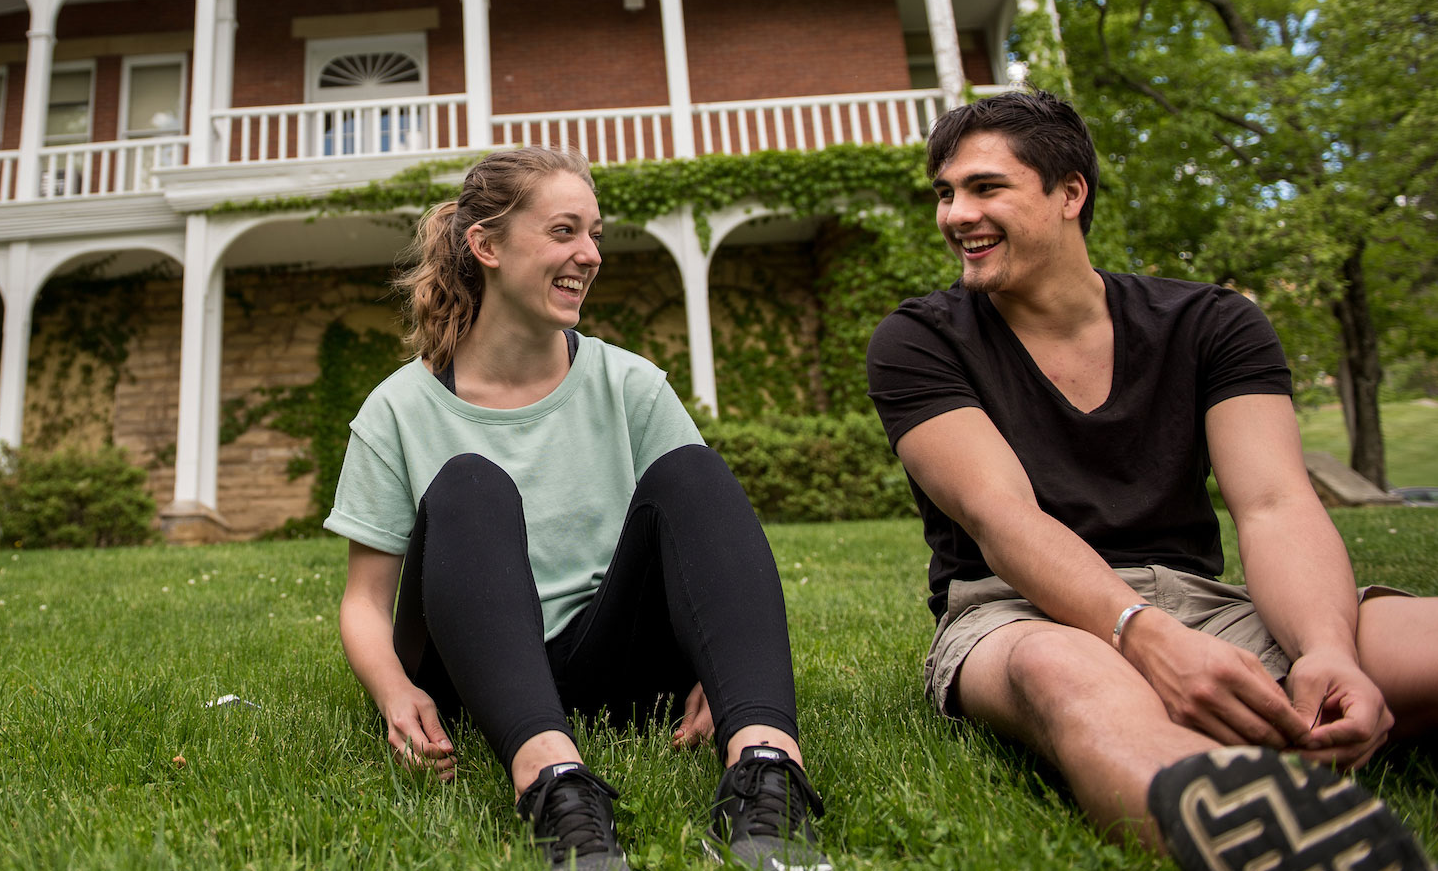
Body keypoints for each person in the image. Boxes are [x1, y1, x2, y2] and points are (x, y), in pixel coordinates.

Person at [866, 90, 1438, 871]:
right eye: (945, 192)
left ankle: (1262, 727)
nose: (954, 213)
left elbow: (1273, 504)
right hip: (1016, 618)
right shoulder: (920, 338)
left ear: (1071, 193)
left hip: (1204, 605)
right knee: (1069, 678)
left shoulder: (1213, 324)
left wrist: (1327, 650)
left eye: (984, 187)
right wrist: (1144, 635)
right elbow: (1003, 519)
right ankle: (1246, 820)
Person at [327, 146, 831, 871]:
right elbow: (366, 602)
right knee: (470, 481)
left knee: (691, 469)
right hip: (473, 672)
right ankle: (555, 785)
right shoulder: (397, 409)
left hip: (616, 664)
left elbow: (699, 546)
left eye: (594, 233)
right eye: (565, 231)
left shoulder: (631, 384)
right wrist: (394, 692)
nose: (590, 254)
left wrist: (715, 673)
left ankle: (765, 774)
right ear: (487, 246)